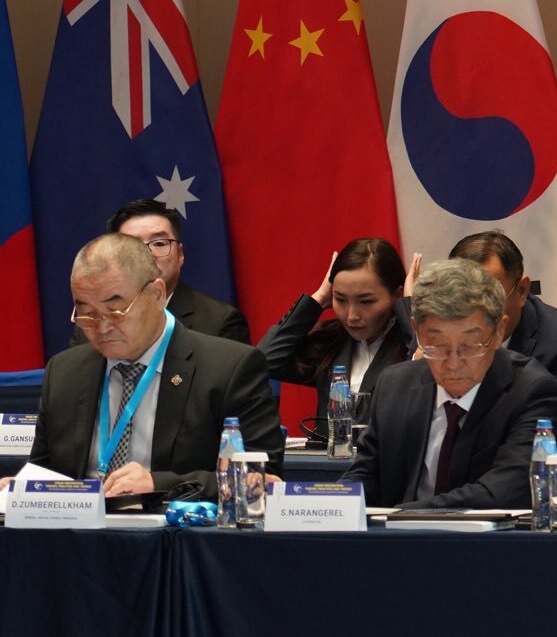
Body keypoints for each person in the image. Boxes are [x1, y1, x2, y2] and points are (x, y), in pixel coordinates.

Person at [24, 234, 280, 499]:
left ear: (157, 294)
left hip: (173, 523)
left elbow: (263, 480)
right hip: (81, 523)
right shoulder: (64, 371)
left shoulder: (229, 368)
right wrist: (22, 489)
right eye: (87, 314)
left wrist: (159, 483)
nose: (102, 327)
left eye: (115, 311)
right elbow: (44, 471)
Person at [343, 257, 557, 509]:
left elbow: (502, 491)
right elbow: (365, 474)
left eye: (470, 346)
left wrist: (400, 516)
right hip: (395, 531)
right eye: (437, 346)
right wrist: (329, 505)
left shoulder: (533, 392)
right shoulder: (395, 384)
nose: (453, 363)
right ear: (417, 330)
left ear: (499, 332)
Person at [257, 237, 415, 437]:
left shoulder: (410, 344)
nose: (352, 316)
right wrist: (318, 298)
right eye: (340, 299)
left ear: (397, 295)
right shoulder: (331, 343)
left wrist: (410, 311)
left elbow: (429, 367)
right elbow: (263, 362)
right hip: (329, 457)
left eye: (365, 301)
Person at [450, 230, 557, 418]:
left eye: (489, 296)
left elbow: (556, 419)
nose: (474, 311)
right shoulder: (434, 335)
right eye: (463, 296)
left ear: (521, 290)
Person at [103, 198, 249, 344]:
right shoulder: (96, 321)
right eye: (133, 246)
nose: (147, 254)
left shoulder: (220, 323)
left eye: (159, 243)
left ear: (180, 255)